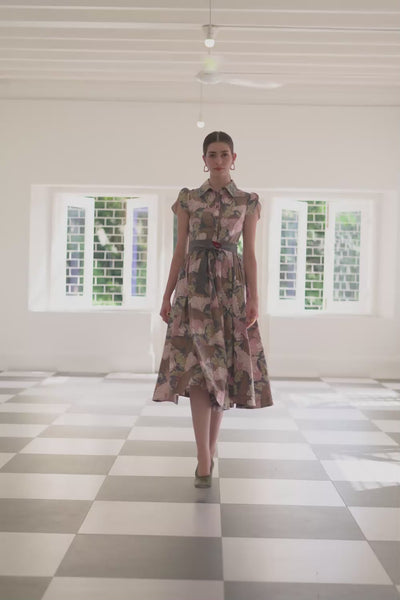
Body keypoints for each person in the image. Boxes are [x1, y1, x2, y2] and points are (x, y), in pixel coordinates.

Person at [152, 131, 273, 488]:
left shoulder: (248, 201)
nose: (218, 160)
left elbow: (249, 255)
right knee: (198, 369)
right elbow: (179, 250)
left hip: (231, 291)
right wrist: (166, 295)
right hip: (194, 289)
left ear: (234, 158)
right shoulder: (188, 199)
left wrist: (254, 298)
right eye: (212, 154)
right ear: (203, 160)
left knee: (221, 371)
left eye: (224, 154)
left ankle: (209, 449)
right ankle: (203, 458)